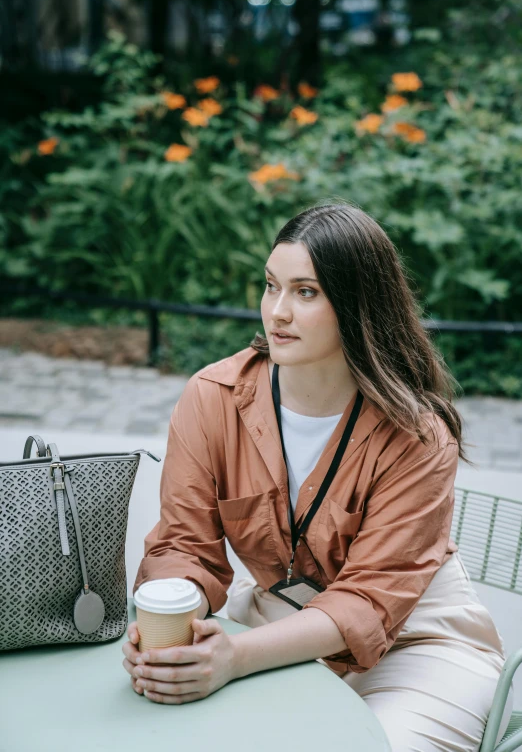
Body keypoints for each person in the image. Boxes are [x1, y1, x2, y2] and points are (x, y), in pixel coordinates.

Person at [122, 203, 513, 751]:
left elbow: (370, 601)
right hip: (275, 622)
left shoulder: (417, 435)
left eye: (306, 292)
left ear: (357, 306)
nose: (276, 311)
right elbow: (184, 545)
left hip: (416, 642)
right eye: (270, 286)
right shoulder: (213, 399)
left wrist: (233, 659)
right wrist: (172, 624)